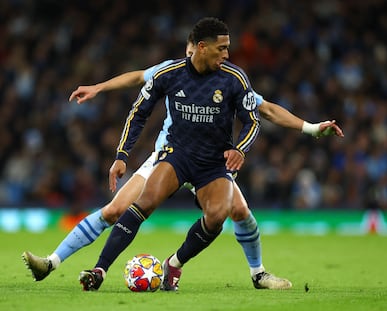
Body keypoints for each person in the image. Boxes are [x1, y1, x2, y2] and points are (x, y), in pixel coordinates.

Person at [22, 28, 343, 291]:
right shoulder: (170, 71)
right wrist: (99, 87)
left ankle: (257, 274)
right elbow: (137, 80)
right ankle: (52, 263)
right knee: (117, 209)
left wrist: (312, 128)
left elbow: (265, 110)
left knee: (239, 211)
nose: (226, 54)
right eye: (220, 49)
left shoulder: (231, 78)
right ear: (197, 48)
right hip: (170, 155)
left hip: (211, 162)